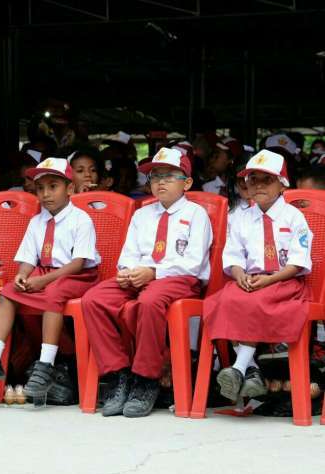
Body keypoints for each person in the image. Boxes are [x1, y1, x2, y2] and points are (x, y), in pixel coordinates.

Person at [81, 147, 213, 417]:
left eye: (169, 175)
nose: (160, 181)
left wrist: (152, 273)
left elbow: (193, 262)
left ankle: (145, 380)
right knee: (93, 299)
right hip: (141, 276)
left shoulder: (196, 214)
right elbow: (128, 255)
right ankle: (118, 375)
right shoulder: (142, 214)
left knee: (150, 301)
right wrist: (128, 272)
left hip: (178, 278)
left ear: (187, 182)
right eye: (154, 176)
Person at [0, 157, 100, 397]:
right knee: (8, 292)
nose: (45, 194)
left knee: (53, 294)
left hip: (77, 275)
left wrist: (43, 281)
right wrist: (22, 274)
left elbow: (78, 263)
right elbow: (29, 257)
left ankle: (45, 364)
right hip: (46, 272)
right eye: (40, 188)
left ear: (70, 188)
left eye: (53, 186)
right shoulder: (37, 222)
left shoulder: (81, 220)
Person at [204, 149, 313, 401]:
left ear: (283, 185)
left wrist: (270, 279)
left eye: (267, 179)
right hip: (251, 280)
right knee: (226, 299)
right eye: (252, 179)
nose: (258, 185)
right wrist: (239, 273)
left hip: (283, 281)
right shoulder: (241, 219)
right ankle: (250, 371)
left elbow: (298, 261)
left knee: (253, 302)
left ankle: (240, 367)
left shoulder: (295, 217)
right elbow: (233, 253)